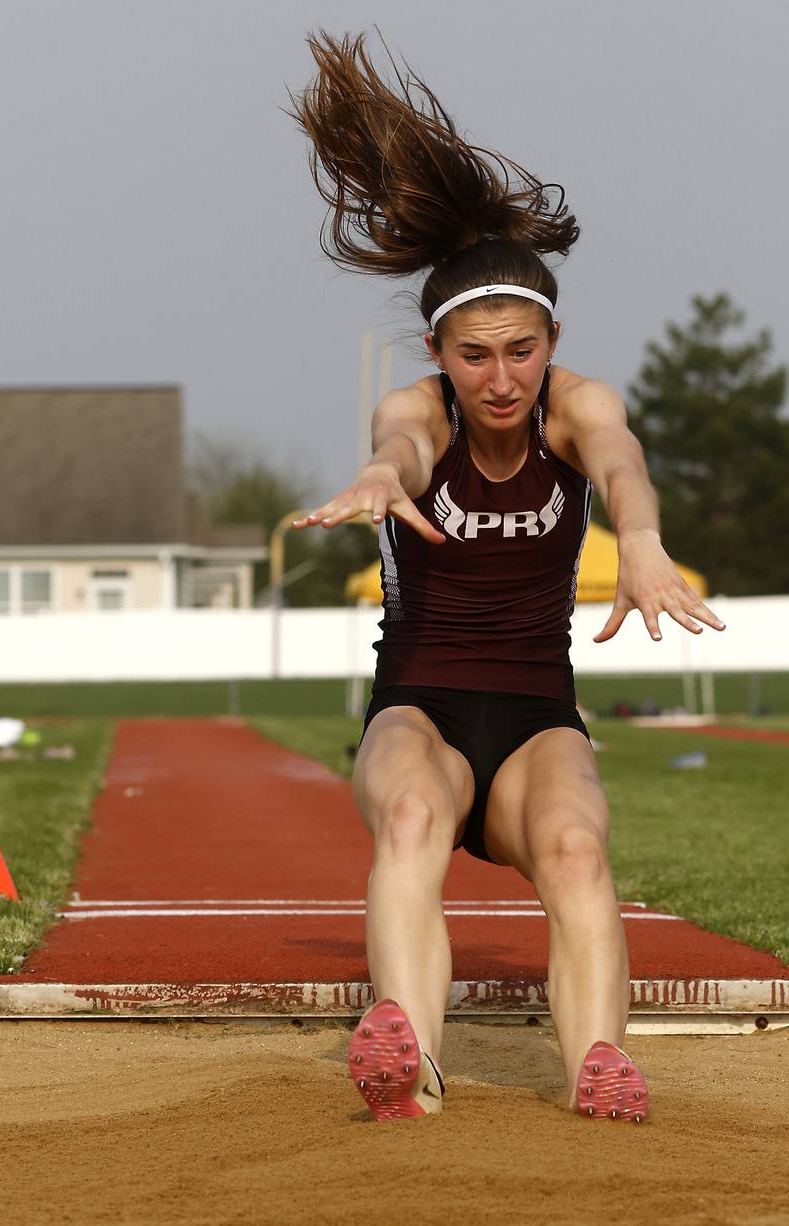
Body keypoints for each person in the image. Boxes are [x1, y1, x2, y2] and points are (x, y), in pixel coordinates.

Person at [289, 31, 725, 1123]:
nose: (498, 378)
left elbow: (619, 464)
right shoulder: (415, 412)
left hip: (536, 714)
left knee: (577, 845)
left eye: (519, 351)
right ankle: (410, 1062)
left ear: (549, 341)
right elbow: (395, 451)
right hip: (420, 707)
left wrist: (639, 537)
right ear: (439, 353)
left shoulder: (578, 406)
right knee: (405, 822)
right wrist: (380, 477)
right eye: (473, 355)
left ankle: (596, 1064)